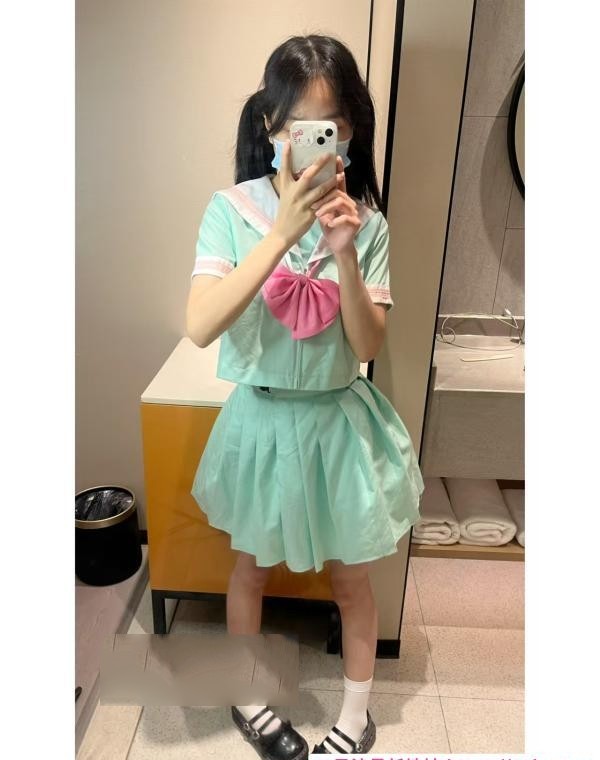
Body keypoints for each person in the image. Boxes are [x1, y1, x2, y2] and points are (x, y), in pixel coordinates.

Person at [186, 34, 425, 759]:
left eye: (334, 127)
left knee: (352, 580)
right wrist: (282, 231)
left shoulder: (368, 224)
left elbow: (366, 345)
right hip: (260, 423)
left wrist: (346, 254)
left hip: (337, 426)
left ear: (351, 133)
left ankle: (356, 717)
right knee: (251, 569)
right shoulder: (229, 210)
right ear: (270, 125)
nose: (318, 142)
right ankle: (249, 698)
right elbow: (201, 325)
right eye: (301, 126)